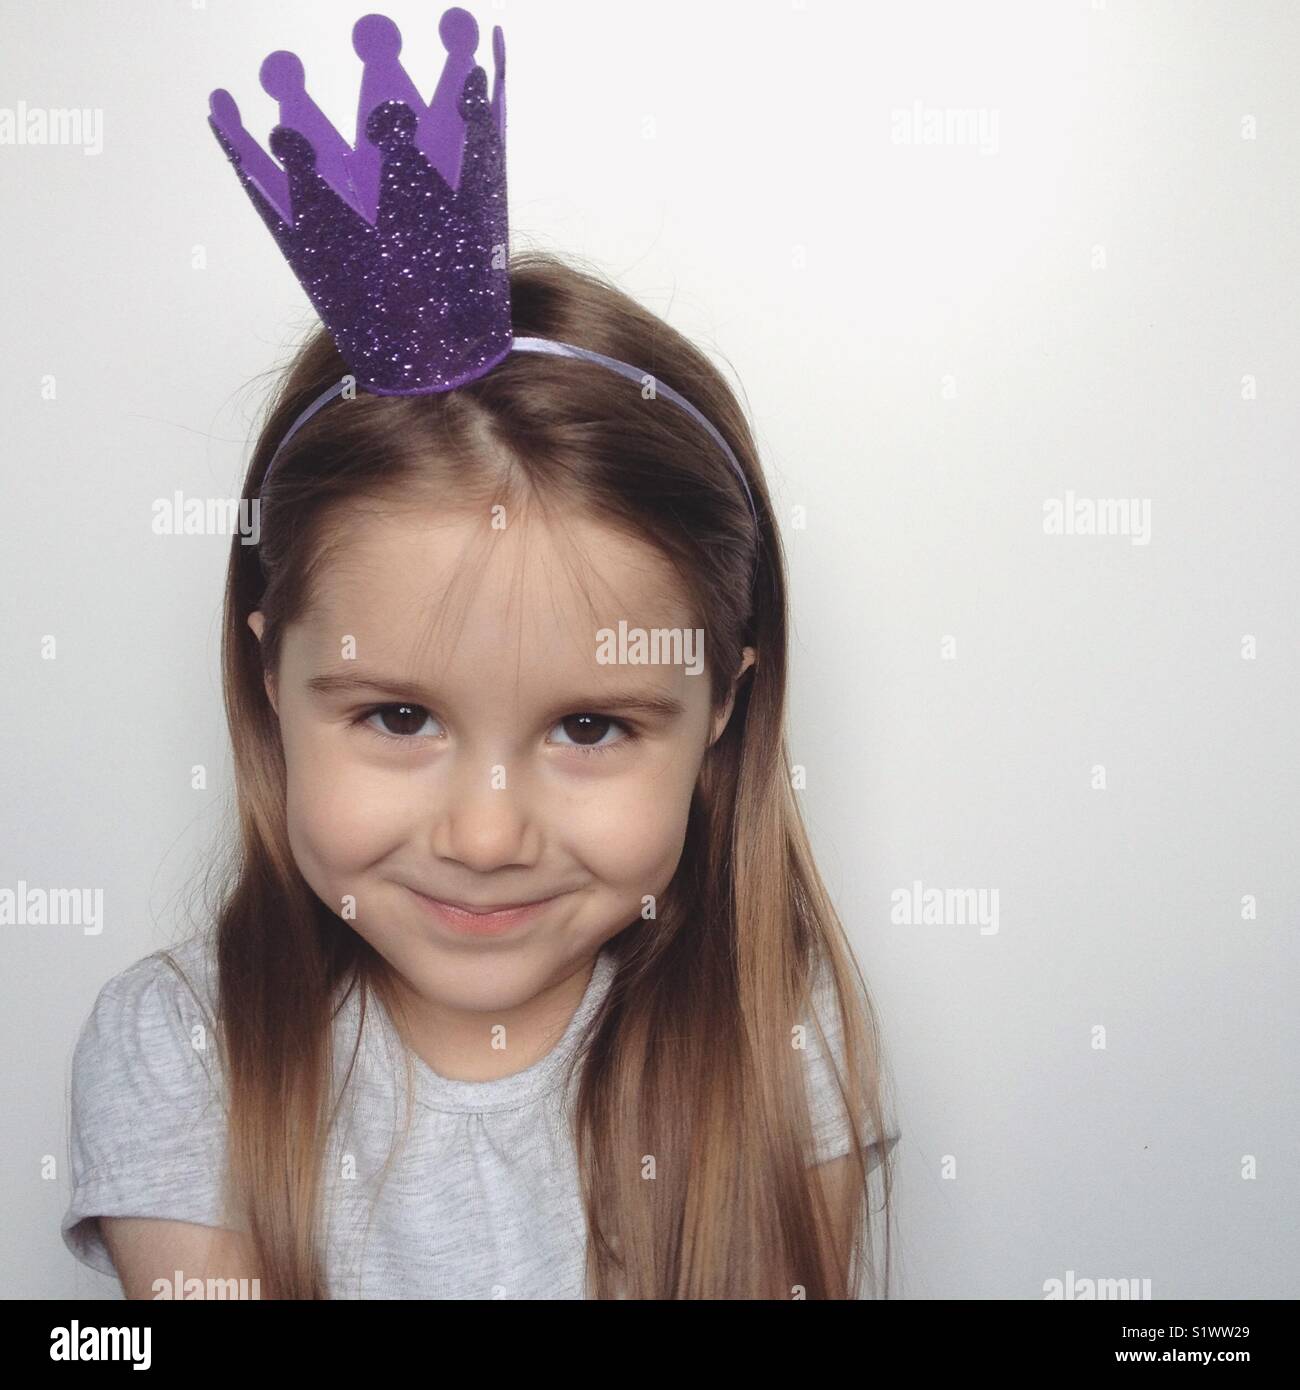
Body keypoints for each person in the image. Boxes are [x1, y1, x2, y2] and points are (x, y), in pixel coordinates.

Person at [60, 6, 899, 1300]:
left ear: (721, 708)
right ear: (270, 678)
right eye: (398, 716)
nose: (489, 834)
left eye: (590, 725)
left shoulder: (777, 1046)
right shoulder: (182, 1056)